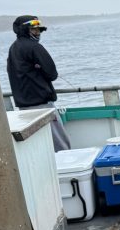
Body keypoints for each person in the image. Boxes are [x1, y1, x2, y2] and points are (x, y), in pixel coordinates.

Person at [6, 15, 71, 151]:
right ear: (25, 30)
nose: (38, 33)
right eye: (34, 30)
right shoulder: (35, 47)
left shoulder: (13, 49)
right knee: (61, 147)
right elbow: (52, 74)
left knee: (39, 149)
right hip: (43, 107)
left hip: (23, 109)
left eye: (39, 30)